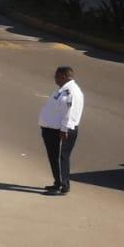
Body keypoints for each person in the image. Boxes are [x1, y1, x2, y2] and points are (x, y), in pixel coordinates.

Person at [38, 66, 84, 196]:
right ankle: (58, 182)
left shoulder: (71, 92)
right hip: (53, 130)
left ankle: (62, 185)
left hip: (62, 131)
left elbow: (69, 113)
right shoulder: (63, 90)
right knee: (55, 157)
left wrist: (64, 130)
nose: (55, 78)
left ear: (64, 76)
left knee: (60, 158)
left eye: (57, 76)